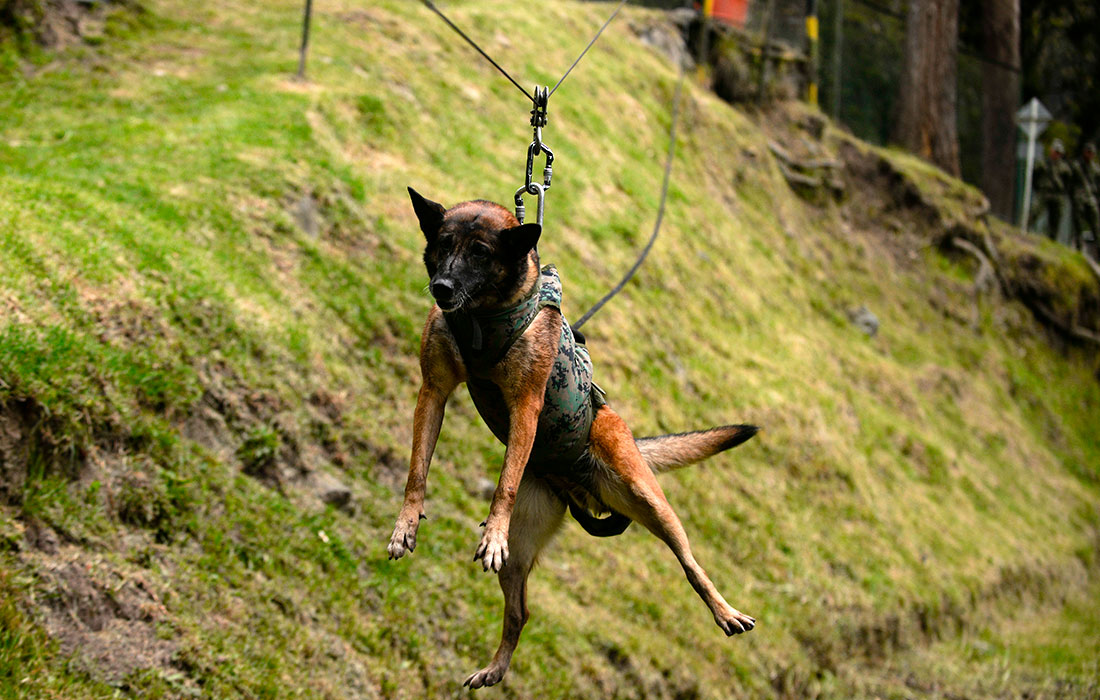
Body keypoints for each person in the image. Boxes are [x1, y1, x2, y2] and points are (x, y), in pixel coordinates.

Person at [1031, 139, 1071, 240]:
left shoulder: (1064, 167)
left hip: (1057, 194)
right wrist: (1037, 187)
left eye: (1059, 153)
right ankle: (1025, 230)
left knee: (1055, 219)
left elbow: (1068, 182)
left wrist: (1063, 192)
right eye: (1055, 152)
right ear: (1051, 151)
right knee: (1034, 211)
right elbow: (1035, 175)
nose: (1057, 155)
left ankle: (1052, 239)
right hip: (1044, 192)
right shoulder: (1043, 163)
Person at [1069, 143, 1100, 252]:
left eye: (1092, 153)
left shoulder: (1095, 168)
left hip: (1091, 197)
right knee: (1078, 223)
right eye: (1088, 152)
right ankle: (1079, 247)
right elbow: (1069, 181)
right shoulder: (1077, 166)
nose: (1090, 155)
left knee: (1095, 224)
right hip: (1079, 197)